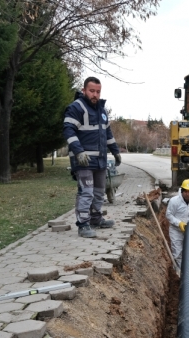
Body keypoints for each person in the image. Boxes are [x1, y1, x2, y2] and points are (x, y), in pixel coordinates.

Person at [63, 77, 122, 238]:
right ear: (84, 91)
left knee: (98, 191)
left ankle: (96, 218)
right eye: (92, 91)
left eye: (98, 91)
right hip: (83, 161)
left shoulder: (102, 111)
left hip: (100, 160)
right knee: (86, 191)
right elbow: (68, 130)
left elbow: (107, 133)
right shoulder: (76, 108)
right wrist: (78, 152)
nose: (95, 94)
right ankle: (83, 224)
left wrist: (115, 151)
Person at [165, 179, 189, 270]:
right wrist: (179, 223)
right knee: (177, 252)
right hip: (176, 231)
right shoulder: (174, 201)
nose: (187, 194)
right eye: (185, 191)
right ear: (182, 191)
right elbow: (168, 215)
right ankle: (179, 272)